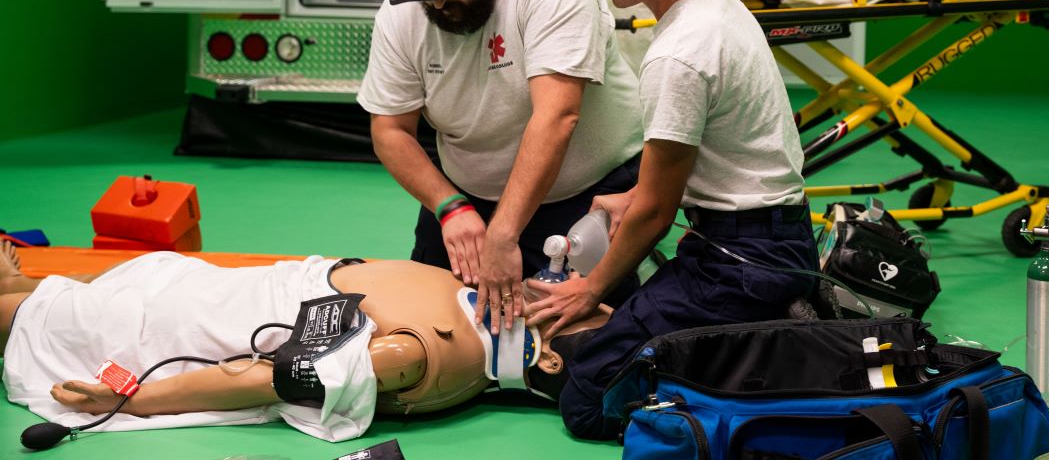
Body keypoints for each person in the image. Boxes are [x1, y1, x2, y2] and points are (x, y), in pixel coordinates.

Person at [524, 0, 819, 439]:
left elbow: (657, 215)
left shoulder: (678, 56)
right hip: (773, 238)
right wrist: (633, 197)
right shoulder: (717, 4)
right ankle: (748, 343)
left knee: (585, 402)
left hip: (740, 263)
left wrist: (589, 290)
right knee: (625, 329)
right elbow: (715, 163)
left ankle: (759, 369)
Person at [357, 0, 643, 333]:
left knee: (578, 348)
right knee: (429, 329)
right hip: (467, 199)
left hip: (584, 190)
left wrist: (504, 234)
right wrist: (449, 206)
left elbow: (557, 116)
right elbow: (390, 130)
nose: (434, 3)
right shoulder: (401, 15)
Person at [0, 242, 608, 441]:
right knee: (105, 284)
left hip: (200, 323)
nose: (591, 293)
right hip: (228, 289)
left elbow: (269, 377)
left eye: (594, 313)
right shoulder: (488, 304)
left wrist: (132, 402)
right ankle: (20, 285)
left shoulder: (430, 354)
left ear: (549, 353)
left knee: (40, 314)